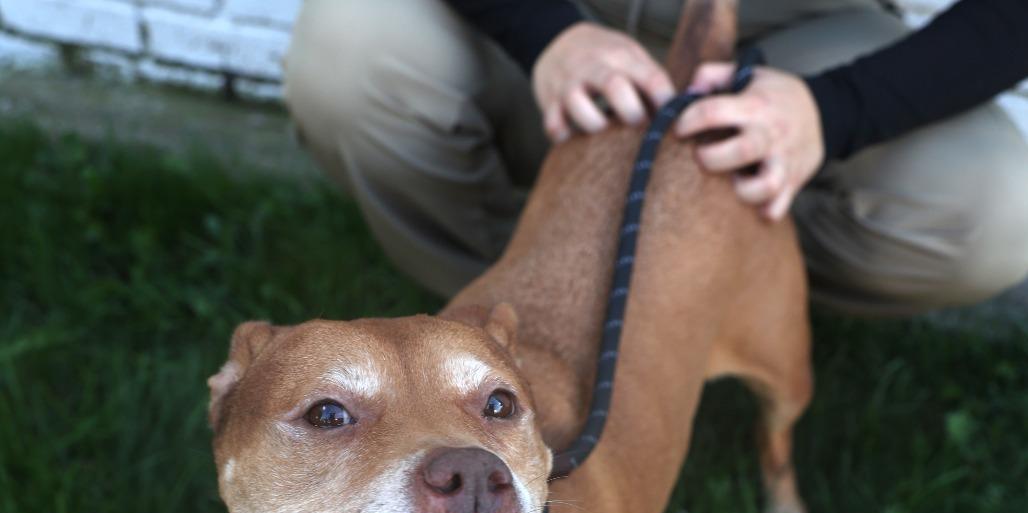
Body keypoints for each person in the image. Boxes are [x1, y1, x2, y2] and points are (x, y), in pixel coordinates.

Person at [283, 0, 1028, 314]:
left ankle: (699, 323)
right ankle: (508, 335)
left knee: (997, 209)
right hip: (550, 18)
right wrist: (545, 33)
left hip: (802, 32)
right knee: (349, 55)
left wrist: (832, 112)